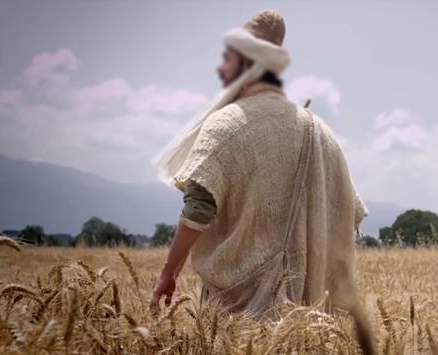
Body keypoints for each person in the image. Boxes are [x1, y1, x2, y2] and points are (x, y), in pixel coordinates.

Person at [149, 10, 369, 333]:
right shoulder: (324, 134)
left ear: (246, 63)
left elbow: (198, 209)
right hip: (310, 323)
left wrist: (167, 275)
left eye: (228, 59)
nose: (220, 68)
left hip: (239, 320)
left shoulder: (225, 126)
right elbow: (350, 215)